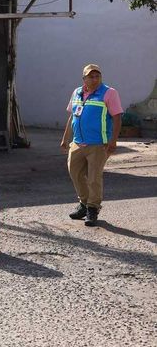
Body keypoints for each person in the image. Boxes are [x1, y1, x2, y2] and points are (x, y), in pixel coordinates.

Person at [60, 64, 122, 227]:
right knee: (75, 173)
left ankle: (92, 209)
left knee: (94, 177)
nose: (95, 79)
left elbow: (117, 118)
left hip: (98, 144)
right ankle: (84, 203)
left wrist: (113, 141)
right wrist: (65, 138)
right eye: (91, 76)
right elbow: (72, 115)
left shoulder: (109, 93)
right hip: (78, 143)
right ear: (84, 79)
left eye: (97, 76)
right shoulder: (77, 92)